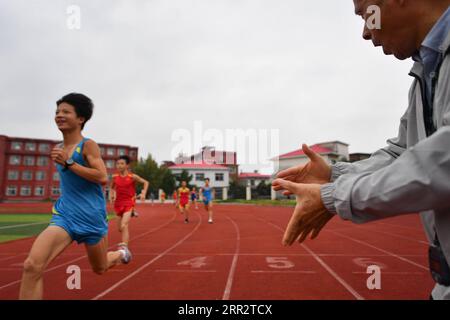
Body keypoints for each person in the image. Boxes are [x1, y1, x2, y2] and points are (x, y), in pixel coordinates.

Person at [273, 0, 450, 300]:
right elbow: (402, 153)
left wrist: (334, 197)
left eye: (366, 13)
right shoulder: (426, 70)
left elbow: (442, 161)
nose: (366, 33)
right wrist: (334, 174)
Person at [19, 93, 131, 300]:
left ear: (80, 119)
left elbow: (101, 177)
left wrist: (70, 163)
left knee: (100, 267)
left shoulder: (88, 145)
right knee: (32, 266)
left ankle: (121, 254)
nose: (59, 115)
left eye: (65, 112)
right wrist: (65, 161)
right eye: (57, 112)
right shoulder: (59, 149)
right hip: (65, 217)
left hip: (91, 218)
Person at [110, 155, 149, 247]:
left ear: (127, 166)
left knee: (124, 225)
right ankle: (132, 213)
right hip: (118, 204)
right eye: (118, 164)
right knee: (120, 228)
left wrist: (143, 193)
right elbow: (111, 188)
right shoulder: (115, 177)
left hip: (129, 202)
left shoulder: (132, 176)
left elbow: (146, 182)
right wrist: (112, 195)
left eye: (122, 164)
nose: (119, 166)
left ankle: (125, 246)